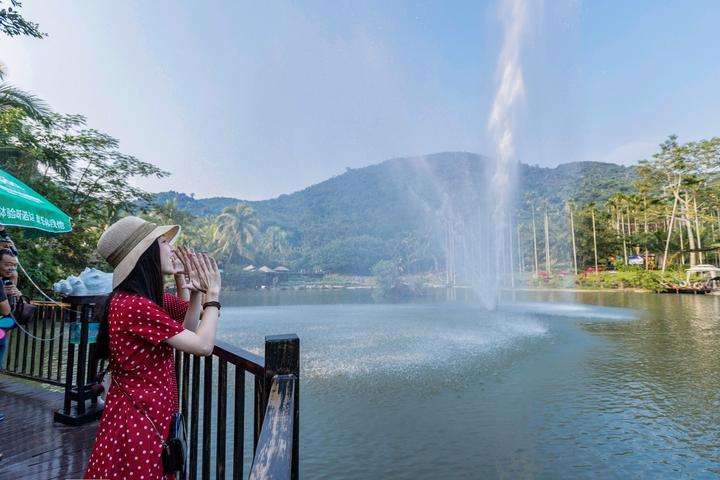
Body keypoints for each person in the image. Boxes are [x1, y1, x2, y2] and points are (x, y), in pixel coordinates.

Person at [84, 216, 221, 480]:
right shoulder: (136, 305)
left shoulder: (132, 300)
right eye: (163, 242)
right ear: (146, 253)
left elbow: (187, 332)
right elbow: (203, 346)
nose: (171, 248)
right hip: (139, 419)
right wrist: (212, 296)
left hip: (140, 412)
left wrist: (195, 294)